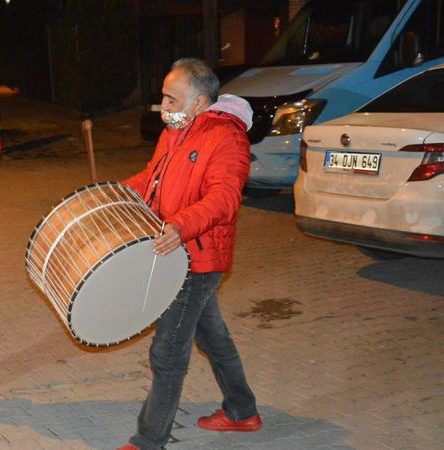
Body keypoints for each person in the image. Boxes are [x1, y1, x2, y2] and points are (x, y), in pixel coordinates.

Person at [117, 58, 261, 450]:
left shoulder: (227, 138)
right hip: (175, 250)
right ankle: (242, 411)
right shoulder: (176, 130)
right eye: (161, 98)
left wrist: (181, 225)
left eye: (170, 99)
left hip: (196, 258)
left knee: (167, 352)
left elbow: (225, 199)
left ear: (199, 103)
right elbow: (153, 177)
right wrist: (118, 193)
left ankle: (149, 440)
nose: (162, 107)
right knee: (212, 336)